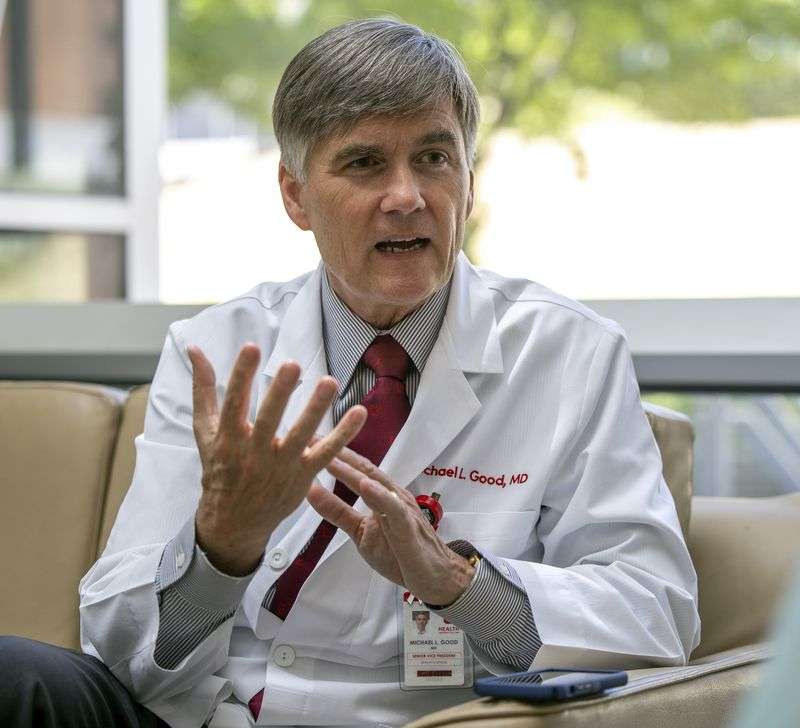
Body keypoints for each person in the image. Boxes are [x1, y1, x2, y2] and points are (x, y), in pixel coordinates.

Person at [0, 18, 700, 728]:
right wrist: (221, 547)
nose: (407, 196)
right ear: (296, 195)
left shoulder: (569, 354)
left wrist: (458, 583)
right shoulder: (217, 349)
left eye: (434, 157)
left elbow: (656, 614)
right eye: (365, 164)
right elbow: (117, 648)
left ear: (468, 177)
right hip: (222, 714)